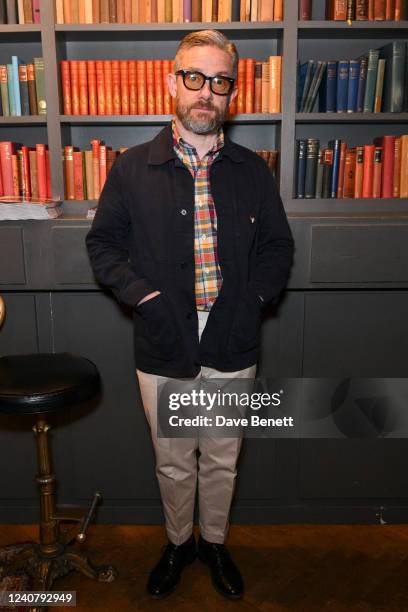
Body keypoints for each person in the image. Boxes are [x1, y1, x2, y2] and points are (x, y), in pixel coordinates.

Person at [86, 29, 294, 600]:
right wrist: (146, 298)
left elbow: (278, 249)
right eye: (194, 78)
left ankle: (216, 543)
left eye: (220, 81)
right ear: (172, 81)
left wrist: (252, 301)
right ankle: (179, 543)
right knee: (175, 463)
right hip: (164, 339)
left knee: (222, 459)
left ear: (233, 92)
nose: (206, 92)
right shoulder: (131, 168)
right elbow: (103, 245)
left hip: (233, 337)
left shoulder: (253, 171)